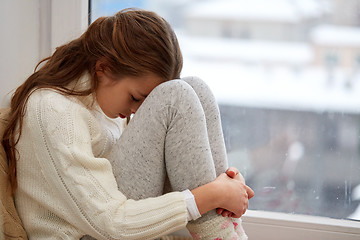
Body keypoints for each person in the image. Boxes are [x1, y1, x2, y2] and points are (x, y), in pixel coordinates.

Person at [2, 8, 254, 240]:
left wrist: (222, 187)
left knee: (195, 88)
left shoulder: (101, 102)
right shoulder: (53, 111)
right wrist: (211, 195)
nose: (137, 111)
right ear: (103, 68)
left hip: (110, 226)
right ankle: (220, 232)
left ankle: (222, 227)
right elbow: (110, 222)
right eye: (136, 98)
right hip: (88, 234)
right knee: (175, 97)